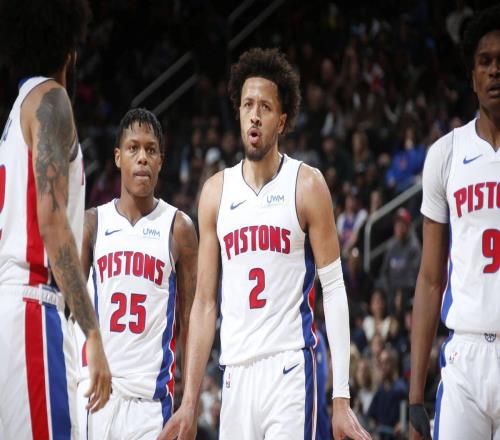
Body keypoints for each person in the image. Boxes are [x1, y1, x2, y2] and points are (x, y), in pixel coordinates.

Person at [160, 48, 370, 440]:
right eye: (247, 105)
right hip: (235, 372)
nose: (255, 115)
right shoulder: (215, 192)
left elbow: (334, 288)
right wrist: (189, 402)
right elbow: (204, 303)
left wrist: (341, 398)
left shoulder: (307, 184)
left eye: (265, 107)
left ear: (282, 120)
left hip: (289, 368)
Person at [0, 0, 111, 437]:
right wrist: (93, 334)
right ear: (69, 51)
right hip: (34, 306)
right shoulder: (51, 99)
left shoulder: (15, 115)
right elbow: (51, 224)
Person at [76, 109, 198, 439]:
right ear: (118, 157)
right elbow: (69, 309)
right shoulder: (92, 223)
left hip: (151, 403)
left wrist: (190, 401)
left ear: (160, 161)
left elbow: (190, 318)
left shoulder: (179, 228)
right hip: (95, 395)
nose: (142, 157)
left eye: (151, 149)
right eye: (133, 148)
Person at [410, 5, 500, 439]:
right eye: (485, 62)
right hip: (465, 352)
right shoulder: (445, 154)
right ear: (472, 76)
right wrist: (415, 398)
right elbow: (430, 279)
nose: (495, 70)